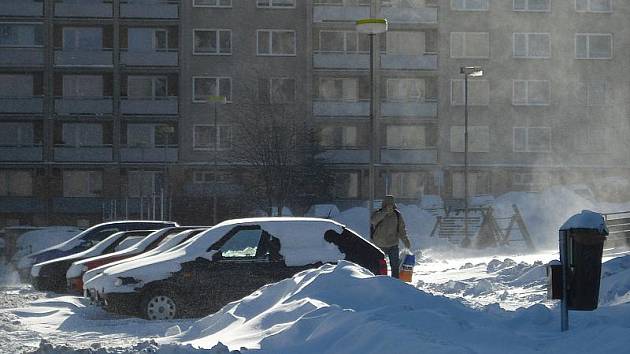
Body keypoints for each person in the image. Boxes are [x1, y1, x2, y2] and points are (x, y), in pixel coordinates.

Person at [370, 195, 411, 278]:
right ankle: (380, 282)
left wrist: (405, 240)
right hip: (379, 245)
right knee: (379, 266)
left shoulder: (397, 215)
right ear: (384, 204)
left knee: (395, 265)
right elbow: (373, 221)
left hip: (393, 244)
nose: (389, 206)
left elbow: (401, 229)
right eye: (387, 204)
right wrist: (384, 212)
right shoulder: (378, 213)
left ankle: (395, 282)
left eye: (391, 204)